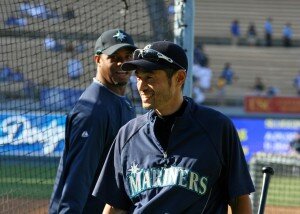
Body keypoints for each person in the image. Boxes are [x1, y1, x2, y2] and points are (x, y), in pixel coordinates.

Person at [92, 41, 255, 213]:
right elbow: (115, 206)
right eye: (139, 77)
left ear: (179, 78)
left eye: (150, 78)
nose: (141, 86)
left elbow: (239, 200)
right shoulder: (128, 134)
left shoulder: (217, 128)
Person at [49, 29, 137, 214]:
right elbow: (78, 178)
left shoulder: (123, 102)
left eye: (128, 57)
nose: (123, 63)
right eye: (114, 57)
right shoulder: (93, 111)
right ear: (98, 60)